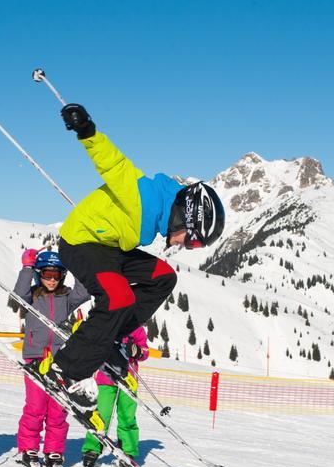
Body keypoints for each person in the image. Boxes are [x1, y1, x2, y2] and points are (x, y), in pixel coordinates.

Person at [45, 102, 226, 416]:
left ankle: (110, 337)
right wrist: (86, 129)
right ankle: (65, 370)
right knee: (116, 297)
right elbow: (111, 163)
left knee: (163, 276)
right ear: (184, 218)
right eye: (193, 240)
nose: (189, 247)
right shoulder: (141, 193)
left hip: (110, 248)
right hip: (83, 241)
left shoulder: (155, 214)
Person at [13, 249, 90, 467]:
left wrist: (76, 265)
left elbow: (83, 293)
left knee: (59, 409)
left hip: (60, 362)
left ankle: (54, 451)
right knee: (36, 408)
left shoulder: (67, 298)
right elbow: (18, 294)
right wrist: (27, 268)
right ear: (39, 274)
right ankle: (29, 448)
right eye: (47, 274)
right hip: (36, 359)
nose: (52, 280)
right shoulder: (32, 297)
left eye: (57, 275)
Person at [81, 326, 148, 467]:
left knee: (127, 416)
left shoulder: (136, 327)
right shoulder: (110, 321)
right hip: (106, 377)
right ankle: (92, 449)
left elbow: (145, 352)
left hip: (129, 379)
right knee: (101, 414)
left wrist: (137, 350)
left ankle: (128, 451)